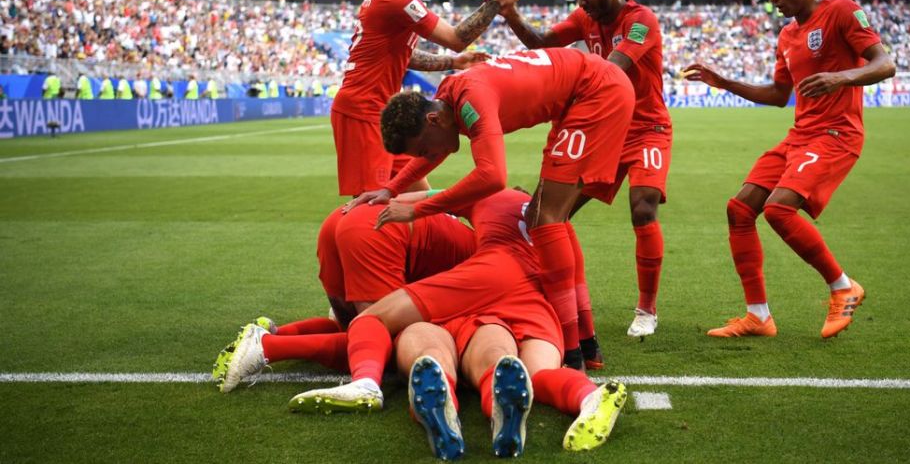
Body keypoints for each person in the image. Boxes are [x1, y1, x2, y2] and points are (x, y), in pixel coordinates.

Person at [346, 48, 634, 368]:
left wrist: (416, 210)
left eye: (425, 148)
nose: (429, 157)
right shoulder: (449, 99)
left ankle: (573, 351)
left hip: (596, 92)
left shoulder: (470, 98)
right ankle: (586, 344)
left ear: (433, 119)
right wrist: (390, 189)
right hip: (587, 92)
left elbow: (493, 177)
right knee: (546, 214)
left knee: (544, 218)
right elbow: (440, 152)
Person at [290, 189, 627, 455]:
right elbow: (577, 287)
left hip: (488, 276)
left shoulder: (495, 196)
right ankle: (588, 397)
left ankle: (367, 383)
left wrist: (387, 195)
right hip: (538, 301)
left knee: (373, 319)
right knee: (541, 374)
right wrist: (585, 349)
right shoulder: (560, 224)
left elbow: (433, 196)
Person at [683, 0, 895, 338]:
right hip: (800, 136)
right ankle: (758, 316)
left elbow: (885, 64)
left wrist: (841, 78)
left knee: (779, 210)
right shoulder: (787, 35)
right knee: (739, 209)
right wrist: (726, 83)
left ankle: (843, 286)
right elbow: (780, 94)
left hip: (836, 134)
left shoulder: (842, 12)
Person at [500, 0, 672, 343]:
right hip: (606, 127)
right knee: (549, 214)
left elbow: (612, 69)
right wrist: (510, 15)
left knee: (643, 207)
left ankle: (647, 310)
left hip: (647, 126)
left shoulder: (641, 20)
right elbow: (542, 43)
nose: (582, 3)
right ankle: (536, 289)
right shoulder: (584, 20)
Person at [331, 0, 518, 199]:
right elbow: (456, 39)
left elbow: (404, 57)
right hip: (363, 111)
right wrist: (496, 2)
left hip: (380, 112)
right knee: (369, 206)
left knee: (417, 200)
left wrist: (452, 63)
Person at [212, 201, 476, 392]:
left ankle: (273, 333)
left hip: (348, 217)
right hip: (377, 231)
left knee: (354, 329)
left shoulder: (481, 229)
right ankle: (268, 347)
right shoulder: (499, 259)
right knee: (391, 344)